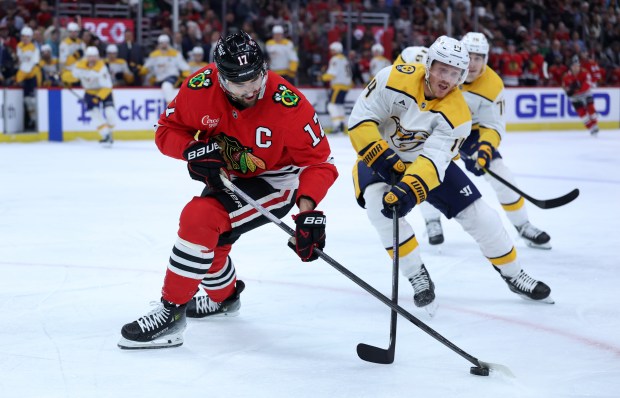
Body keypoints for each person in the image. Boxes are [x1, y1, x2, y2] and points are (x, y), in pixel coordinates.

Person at [118, 31, 338, 349]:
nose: (250, 89)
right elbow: (166, 131)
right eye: (238, 82)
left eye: (255, 78)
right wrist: (192, 149)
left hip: (276, 181)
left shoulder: (288, 104)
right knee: (211, 242)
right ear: (220, 77)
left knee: (200, 219)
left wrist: (306, 212)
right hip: (230, 175)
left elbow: (321, 163)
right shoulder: (199, 89)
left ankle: (171, 315)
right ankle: (225, 299)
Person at [348, 36, 552, 314]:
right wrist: (379, 154)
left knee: (483, 218)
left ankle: (513, 274)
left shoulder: (458, 114)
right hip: (379, 154)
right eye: (442, 70)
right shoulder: (392, 77)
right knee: (378, 209)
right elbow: (362, 117)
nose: (447, 79)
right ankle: (416, 274)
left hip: (422, 164)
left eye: (455, 73)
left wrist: (409, 189)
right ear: (428, 64)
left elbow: (434, 159)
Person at [419, 32, 552, 249]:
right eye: (469, 56)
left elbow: (493, 125)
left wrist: (485, 149)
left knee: (500, 172)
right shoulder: (444, 72)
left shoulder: (492, 85)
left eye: (478, 58)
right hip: (436, 128)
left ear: (486, 59)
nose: (472, 63)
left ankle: (523, 225)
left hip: (471, 132)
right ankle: (432, 219)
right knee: (427, 170)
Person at [61, 46, 116, 146]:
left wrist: (99, 98)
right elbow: (74, 76)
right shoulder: (79, 66)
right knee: (94, 114)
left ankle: (110, 131)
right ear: (86, 57)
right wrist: (63, 77)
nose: (92, 59)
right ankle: (105, 134)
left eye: (94, 56)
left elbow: (108, 86)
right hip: (90, 92)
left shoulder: (101, 67)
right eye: (90, 56)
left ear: (97, 57)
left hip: (104, 92)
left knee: (110, 113)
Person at [141, 34, 190, 103]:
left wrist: (185, 78)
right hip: (159, 79)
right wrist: (142, 70)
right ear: (159, 44)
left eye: (166, 42)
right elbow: (145, 68)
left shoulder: (175, 53)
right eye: (162, 43)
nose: (164, 44)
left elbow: (185, 67)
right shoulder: (154, 55)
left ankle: (171, 106)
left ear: (168, 43)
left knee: (166, 85)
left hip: (172, 77)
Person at [562, 55, 599, 136]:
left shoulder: (585, 72)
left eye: (577, 66)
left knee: (591, 109)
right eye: (574, 66)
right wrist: (568, 91)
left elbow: (587, 84)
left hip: (586, 93)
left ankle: (595, 124)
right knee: (582, 113)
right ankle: (590, 128)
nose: (576, 68)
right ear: (571, 67)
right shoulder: (566, 76)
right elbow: (565, 87)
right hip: (575, 97)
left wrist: (577, 90)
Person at [322, 41, 352, 134]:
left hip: (337, 86)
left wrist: (323, 77)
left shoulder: (335, 59)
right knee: (339, 105)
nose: (331, 51)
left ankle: (337, 125)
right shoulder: (345, 59)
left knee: (332, 105)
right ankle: (342, 125)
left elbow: (332, 73)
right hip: (346, 86)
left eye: (332, 50)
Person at [16, 26, 41, 130]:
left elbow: (32, 64)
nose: (25, 38)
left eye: (27, 37)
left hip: (31, 76)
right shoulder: (19, 46)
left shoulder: (34, 48)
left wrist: (20, 77)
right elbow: (20, 61)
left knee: (32, 100)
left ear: (31, 38)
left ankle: (36, 120)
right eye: (23, 36)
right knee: (26, 100)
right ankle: (31, 120)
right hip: (23, 75)